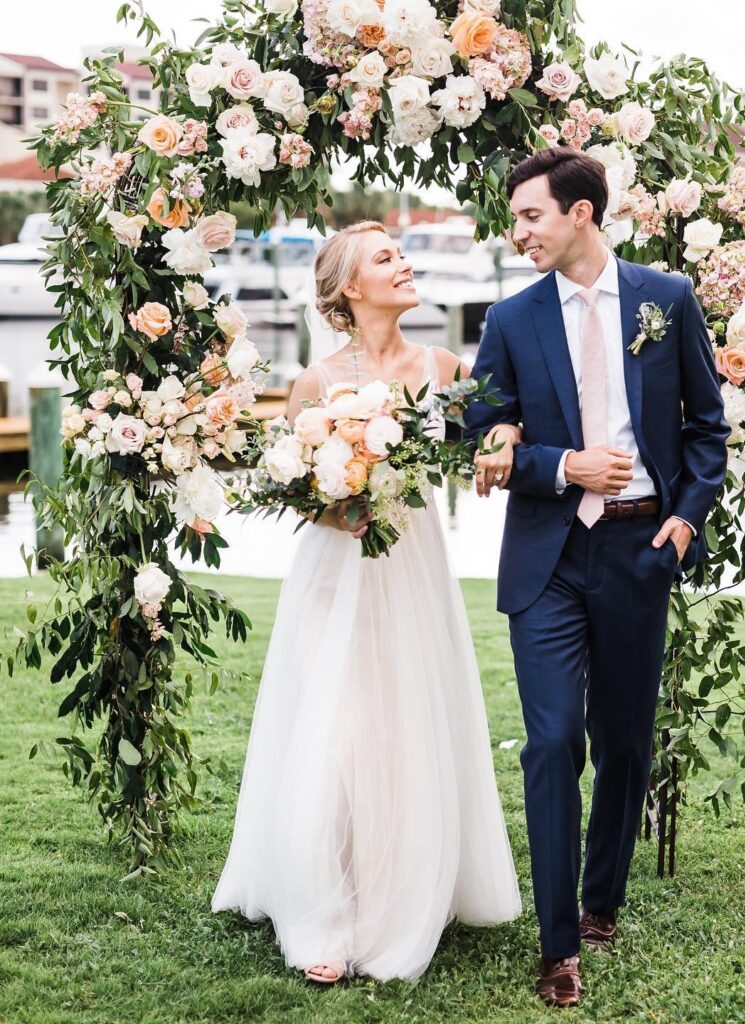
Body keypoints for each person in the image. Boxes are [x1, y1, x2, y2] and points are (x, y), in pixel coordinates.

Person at [212, 221, 522, 984]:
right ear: (352, 287)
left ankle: (400, 895)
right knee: (336, 732)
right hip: (334, 569)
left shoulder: (445, 366)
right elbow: (287, 481)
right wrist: (341, 501)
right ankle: (326, 907)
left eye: (401, 254)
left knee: (403, 722)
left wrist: (504, 436)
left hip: (410, 563)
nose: (405, 264)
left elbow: (500, 420)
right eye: (387, 258)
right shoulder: (317, 385)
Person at [467, 150, 730, 1008]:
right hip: (545, 555)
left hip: (638, 549)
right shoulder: (509, 318)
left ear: (581, 213)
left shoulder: (667, 299)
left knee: (624, 740)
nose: (519, 232)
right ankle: (557, 947)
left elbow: (706, 429)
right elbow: (485, 432)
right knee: (551, 744)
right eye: (515, 219)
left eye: (531, 216)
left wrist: (683, 523)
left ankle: (603, 898)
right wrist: (561, 465)